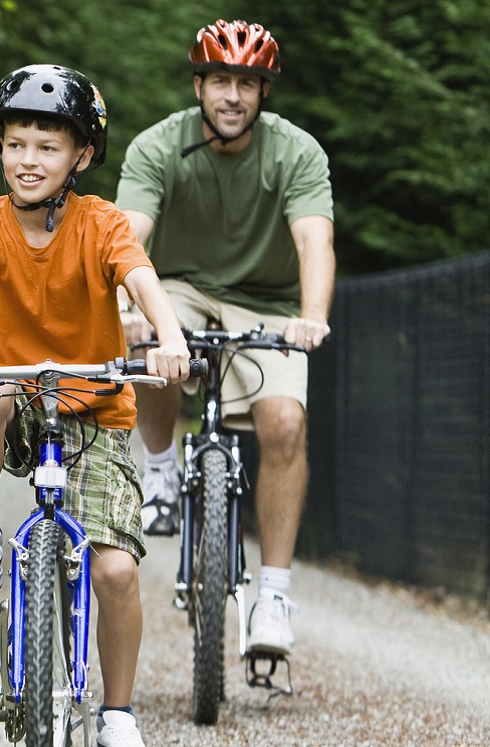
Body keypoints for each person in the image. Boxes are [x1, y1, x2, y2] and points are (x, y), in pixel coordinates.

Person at [0, 64, 191, 747]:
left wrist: (170, 333)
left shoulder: (102, 222)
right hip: (15, 403)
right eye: (16, 143)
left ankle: (117, 709)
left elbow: (141, 278)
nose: (28, 160)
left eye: (47, 146)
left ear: (82, 155)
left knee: (116, 567)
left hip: (92, 409)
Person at [114, 19, 335, 658]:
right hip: (176, 285)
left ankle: (273, 594)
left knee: (284, 425)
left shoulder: (297, 152)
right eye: (220, 81)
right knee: (155, 350)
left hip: (266, 301)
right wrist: (131, 307)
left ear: (264, 92)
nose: (233, 96)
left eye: (248, 82)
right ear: (198, 85)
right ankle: (158, 471)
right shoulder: (158, 145)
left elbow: (314, 239)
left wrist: (312, 315)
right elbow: (130, 236)